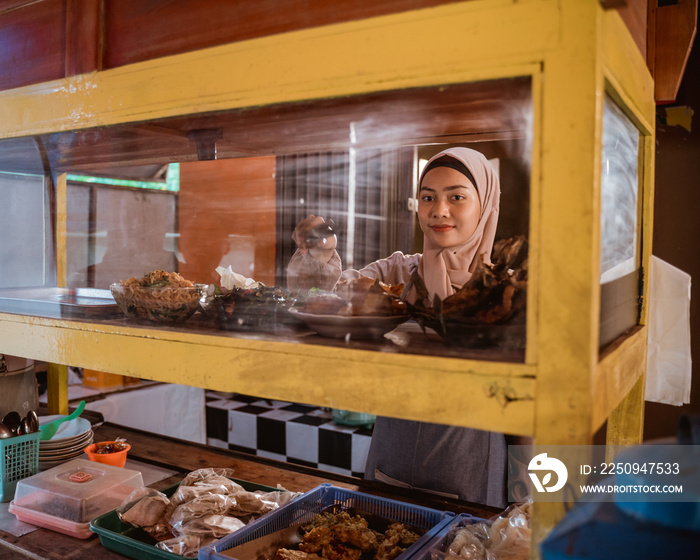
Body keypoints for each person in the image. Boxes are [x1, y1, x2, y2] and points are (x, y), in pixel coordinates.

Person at [287, 147, 519, 507]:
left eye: (456, 197)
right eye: (428, 197)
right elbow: (326, 297)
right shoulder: (399, 273)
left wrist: (534, 504)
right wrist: (317, 253)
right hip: (390, 456)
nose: (439, 211)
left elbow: (532, 408)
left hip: (470, 466)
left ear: (486, 203)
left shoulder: (508, 291)